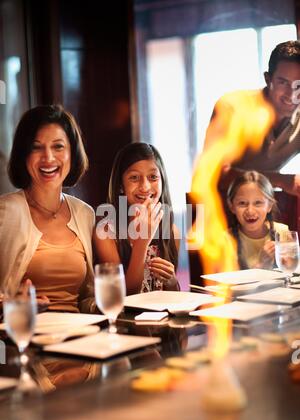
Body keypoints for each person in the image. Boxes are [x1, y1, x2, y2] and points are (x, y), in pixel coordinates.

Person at [0, 104, 96, 313]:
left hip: (81, 336)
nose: (48, 158)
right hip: (23, 338)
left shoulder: (85, 214)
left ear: (73, 153)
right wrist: (9, 304)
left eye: (58, 147)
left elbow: (87, 299)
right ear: (24, 155)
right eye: (36, 147)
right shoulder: (6, 211)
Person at [202, 40, 300, 196]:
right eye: (283, 82)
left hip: (262, 208)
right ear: (268, 80)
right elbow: (213, 172)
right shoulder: (232, 107)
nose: (292, 94)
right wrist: (281, 180)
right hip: (211, 208)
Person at [94, 142, 180, 294]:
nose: (145, 187)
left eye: (153, 177)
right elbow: (123, 295)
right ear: (121, 185)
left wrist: (172, 282)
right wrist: (143, 240)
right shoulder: (106, 231)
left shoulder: (171, 230)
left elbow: (173, 295)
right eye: (134, 178)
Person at [227, 171, 288, 270]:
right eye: (242, 203)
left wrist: (287, 263)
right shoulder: (225, 240)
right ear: (232, 207)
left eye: (258, 203)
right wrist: (261, 264)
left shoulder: (282, 232)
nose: (250, 211)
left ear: (269, 206)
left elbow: (292, 272)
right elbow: (227, 283)